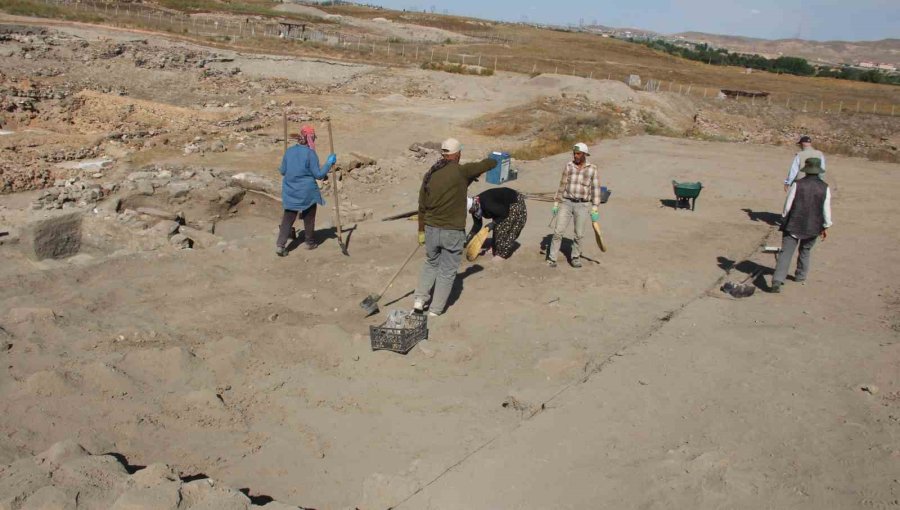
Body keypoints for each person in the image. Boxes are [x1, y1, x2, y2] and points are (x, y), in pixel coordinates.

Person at [414, 138, 495, 316]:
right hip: (452, 232)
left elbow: (421, 205)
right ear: (457, 154)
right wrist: (496, 159)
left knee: (430, 263)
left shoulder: (431, 173)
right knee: (447, 271)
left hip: (431, 230)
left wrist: (421, 230)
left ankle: (419, 300)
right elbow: (486, 164)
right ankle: (435, 310)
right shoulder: (461, 171)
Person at [771, 158, 832, 293]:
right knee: (805, 251)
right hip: (814, 225)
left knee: (786, 253)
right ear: (818, 171)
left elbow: (788, 205)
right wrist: (826, 225)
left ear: (806, 170)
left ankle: (777, 280)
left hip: (793, 223)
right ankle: (800, 276)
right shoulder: (825, 187)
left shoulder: (798, 184)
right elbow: (826, 209)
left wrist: (784, 218)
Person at [275, 125, 337, 256]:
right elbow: (319, 175)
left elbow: (283, 171)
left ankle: (280, 245)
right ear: (311, 138)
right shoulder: (310, 154)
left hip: (290, 191)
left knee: (288, 218)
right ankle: (309, 242)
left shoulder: (289, 151)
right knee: (309, 216)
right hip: (306, 192)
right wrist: (329, 163)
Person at [547, 142, 601, 269]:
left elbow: (596, 189)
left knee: (579, 234)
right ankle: (552, 258)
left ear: (584, 154)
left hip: (582, 205)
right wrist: (556, 203)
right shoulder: (569, 166)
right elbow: (562, 185)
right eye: (574, 153)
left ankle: (575, 257)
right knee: (558, 232)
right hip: (566, 202)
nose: (575, 156)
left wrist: (595, 208)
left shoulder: (592, 168)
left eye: (578, 153)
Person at [466, 187, 527, 261]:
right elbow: (477, 225)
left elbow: (504, 214)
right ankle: (495, 248)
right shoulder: (475, 207)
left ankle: (501, 254)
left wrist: (492, 224)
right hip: (501, 206)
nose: (472, 212)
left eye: (472, 210)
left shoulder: (486, 203)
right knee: (497, 224)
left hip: (514, 202)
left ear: (474, 205)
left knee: (504, 227)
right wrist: (468, 238)